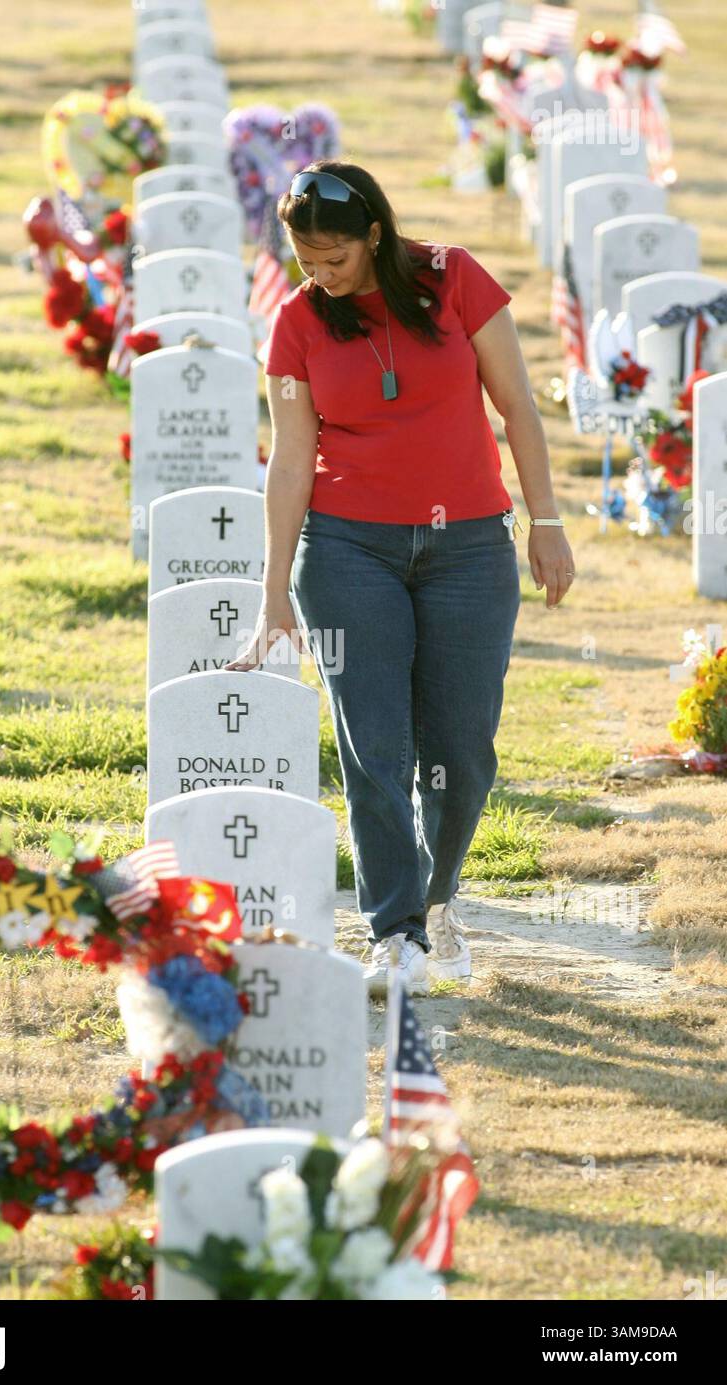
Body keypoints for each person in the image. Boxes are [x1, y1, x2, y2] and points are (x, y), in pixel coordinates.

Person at [226, 159, 575, 994]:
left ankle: (439, 897)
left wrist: (547, 520)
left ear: (374, 235)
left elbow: (516, 406)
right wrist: (272, 592)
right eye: (307, 260)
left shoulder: (456, 280)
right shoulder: (297, 322)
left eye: (335, 259)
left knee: (461, 750)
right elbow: (289, 461)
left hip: (469, 549)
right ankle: (395, 931)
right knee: (371, 747)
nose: (323, 276)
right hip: (347, 551)